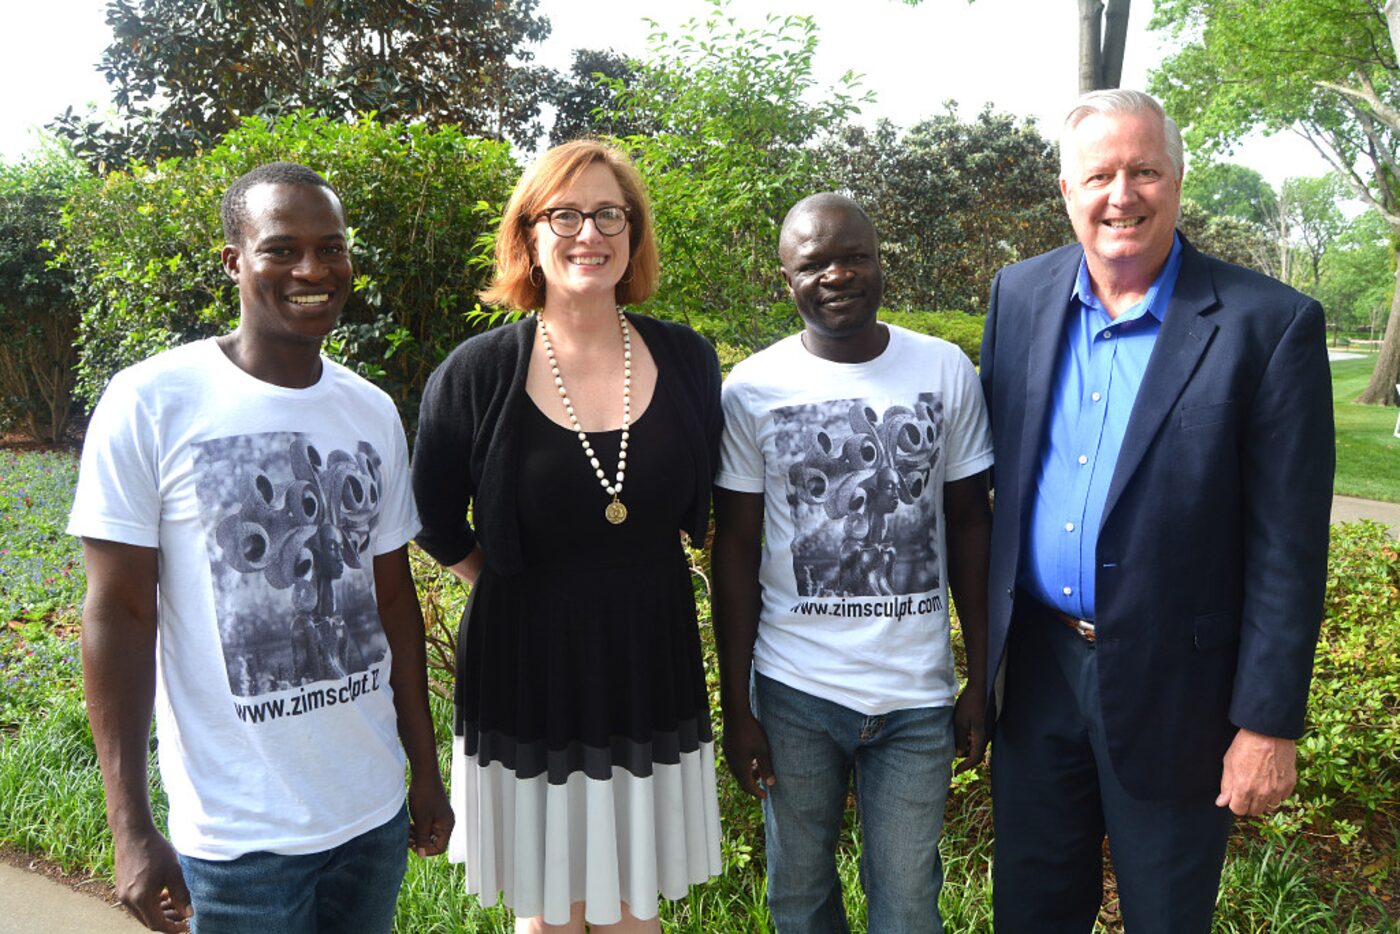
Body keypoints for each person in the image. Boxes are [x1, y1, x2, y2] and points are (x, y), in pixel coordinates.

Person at [980, 89, 1335, 933]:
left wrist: (1267, 723)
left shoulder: (1269, 324)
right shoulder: (1019, 296)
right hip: (1034, 675)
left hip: (1183, 692)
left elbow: (1289, 546)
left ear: (1177, 180)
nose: (1122, 195)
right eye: (1099, 174)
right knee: (1029, 915)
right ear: (1066, 191)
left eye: (1145, 171)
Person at [68, 162, 452, 934]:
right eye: (282, 249)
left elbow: (391, 603)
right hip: (237, 839)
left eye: (331, 248)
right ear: (234, 261)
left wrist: (424, 773)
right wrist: (131, 829)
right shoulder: (152, 400)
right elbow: (118, 615)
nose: (313, 270)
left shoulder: (369, 411)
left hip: (369, 818)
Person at [411, 139, 723, 933]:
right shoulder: (476, 372)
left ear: (635, 233)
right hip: (525, 660)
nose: (591, 233)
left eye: (610, 213)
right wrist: (510, 587)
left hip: (649, 656)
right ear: (528, 235)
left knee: (632, 901)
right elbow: (433, 517)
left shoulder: (687, 359)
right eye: (566, 214)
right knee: (549, 908)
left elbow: (718, 499)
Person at [711, 192, 994, 933]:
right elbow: (734, 550)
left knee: (906, 903)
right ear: (787, 279)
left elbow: (970, 524)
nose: (838, 274)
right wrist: (737, 706)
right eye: (815, 263)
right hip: (794, 691)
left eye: (855, 257)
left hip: (915, 696)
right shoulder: (749, 389)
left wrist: (983, 677)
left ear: (879, 264)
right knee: (798, 898)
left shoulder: (943, 369)